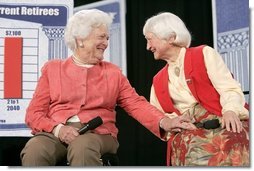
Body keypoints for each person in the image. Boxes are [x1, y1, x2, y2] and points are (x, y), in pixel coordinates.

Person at [20, 9, 196, 166]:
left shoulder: (113, 73)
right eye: (101, 37)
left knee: (82, 146)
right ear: (80, 40)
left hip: (99, 134)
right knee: (35, 149)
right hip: (56, 132)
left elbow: (136, 104)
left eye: (107, 38)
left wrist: (166, 121)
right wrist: (58, 129)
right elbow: (33, 114)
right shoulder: (53, 69)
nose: (106, 42)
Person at [143, 12, 249, 166]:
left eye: (150, 39)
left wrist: (231, 110)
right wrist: (172, 122)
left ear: (171, 38)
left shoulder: (203, 54)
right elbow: (159, 117)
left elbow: (229, 88)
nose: (148, 47)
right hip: (189, 139)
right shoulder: (158, 80)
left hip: (221, 126)